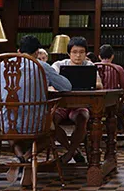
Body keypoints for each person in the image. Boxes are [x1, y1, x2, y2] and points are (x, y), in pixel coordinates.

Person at [1, 35, 71, 185]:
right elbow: (66, 87)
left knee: (10, 130)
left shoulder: (3, 64)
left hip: (8, 122)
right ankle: (25, 158)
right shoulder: (41, 65)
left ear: (18, 50)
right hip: (35, 123)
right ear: (37, 53)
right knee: (50, 133)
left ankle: (20, 159)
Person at [51, 36, 101, 164]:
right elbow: (49, 84)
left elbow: (99, 84)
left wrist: (86, 84)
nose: (78, 56)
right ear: (69, 53)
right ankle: (72, 151)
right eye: (74, 52)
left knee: (82, 118)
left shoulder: (89, 65)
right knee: (50, 122)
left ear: (86, 53)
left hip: (81, 105)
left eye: (81, 52)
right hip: (61, 105)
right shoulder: (59, 65)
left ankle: (69, 153)